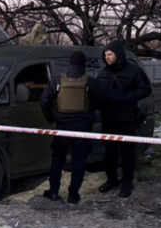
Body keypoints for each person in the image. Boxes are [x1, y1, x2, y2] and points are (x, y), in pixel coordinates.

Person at [94, 40, 152, 198]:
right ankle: (111, 179)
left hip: (126, 118)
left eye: (110, 54)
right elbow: (98, 90)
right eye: (105, 54)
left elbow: (145, 89)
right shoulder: (104, 72)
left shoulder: (133, 71)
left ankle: (127, 182)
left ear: (118, 55)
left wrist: (126, 98)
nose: (107, 57)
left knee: (126, 152)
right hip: (108, 118)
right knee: (110, 151)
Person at [40, 51, 96, 204]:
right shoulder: (90, 81)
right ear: (83, 64)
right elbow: (101, 102)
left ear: (70, 63)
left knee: (57, 159)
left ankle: (53, 192)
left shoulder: (58, 80)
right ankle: (73, 195)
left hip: (62, 127)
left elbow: (44, 100)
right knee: (79, 161)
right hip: (82, 129)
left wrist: (51, 119)